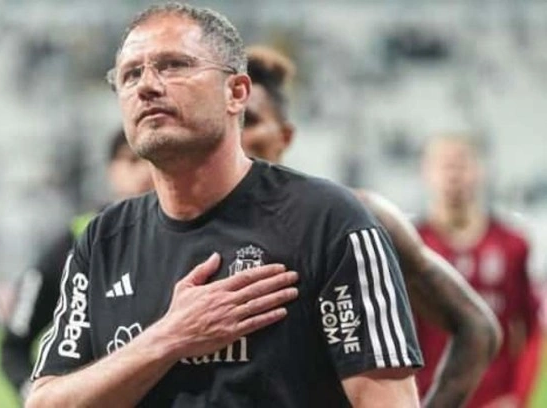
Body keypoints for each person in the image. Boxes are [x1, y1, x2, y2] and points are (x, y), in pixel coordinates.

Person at [27, 3, 423, 407]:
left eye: (173, 65)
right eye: (130, 74)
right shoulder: (103, 240)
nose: (146, 86)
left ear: (236, 93)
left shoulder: (329, 222)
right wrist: (169, 337)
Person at [241, 45, 503, 407]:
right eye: (226, 121)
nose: (234, 136)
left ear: (285, 136)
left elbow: (477, 329)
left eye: (249, 121)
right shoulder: (176, 230)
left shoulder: (354, 217)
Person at [1, 128, 153, 399]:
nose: (143, 172)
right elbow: (14, 345)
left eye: (149, 161)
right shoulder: (77, 239)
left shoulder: (186, 233)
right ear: (111, 170)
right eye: (131, 160)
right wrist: (38, 397)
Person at [416, 135, 543, 408]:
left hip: (494, 400)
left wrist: (518, 397)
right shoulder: (410, 247)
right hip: (428, 400)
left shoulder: (512, 245)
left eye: (461, 163)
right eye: (444, 164)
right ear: (426, 172)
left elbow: (532, 329)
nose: (453, 173)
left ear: (480, 170)